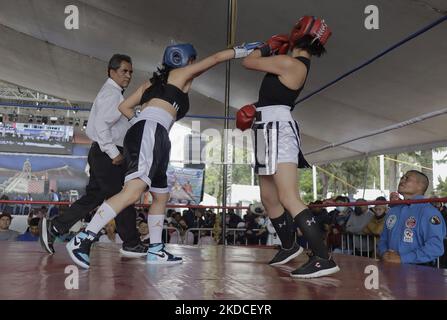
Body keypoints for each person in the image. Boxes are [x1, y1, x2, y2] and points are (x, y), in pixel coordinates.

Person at [66, 41, 262, 268]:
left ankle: (156, 250)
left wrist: (141, 120)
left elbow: (125, 108)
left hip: (155, 134)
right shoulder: (179, 74)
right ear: (188, 61)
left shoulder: (153, 83)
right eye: (193, 62)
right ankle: (83, 239)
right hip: (151, 132)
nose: (194, 66)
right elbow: (216, 59)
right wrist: (243, 50)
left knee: (161, 196)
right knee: (132, 192)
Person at [241, 16, 339, 278]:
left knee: (288, 197)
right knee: (269, 197)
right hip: (265, 125)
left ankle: (323, 257)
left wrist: (266, 47)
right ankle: (289, 246)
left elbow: (248, 61)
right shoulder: (291, 62)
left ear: (300, 34)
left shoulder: (290, 62)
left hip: (277, 128)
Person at [39, 54, 146, 258]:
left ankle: (55, 228)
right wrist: (114, 153)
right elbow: (100, 127)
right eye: (124, 71)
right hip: (108, 153)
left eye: (130, 71)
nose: (128, 75)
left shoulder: (114, 94)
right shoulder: (112, 95)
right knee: (122, 197)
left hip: (102, 153)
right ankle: (131, 242)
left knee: (95, 197)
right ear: (111, 71)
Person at [378, 170, 446, 265]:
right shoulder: (393, 211)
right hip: (390, 267)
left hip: (420, 271)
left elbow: (435, 247)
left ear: (420, 186)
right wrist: (384, 253)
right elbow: (383, 238)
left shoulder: (429, 212)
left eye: (407, 178)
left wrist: (402, 258)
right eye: (402, 177)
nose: (402, 180)